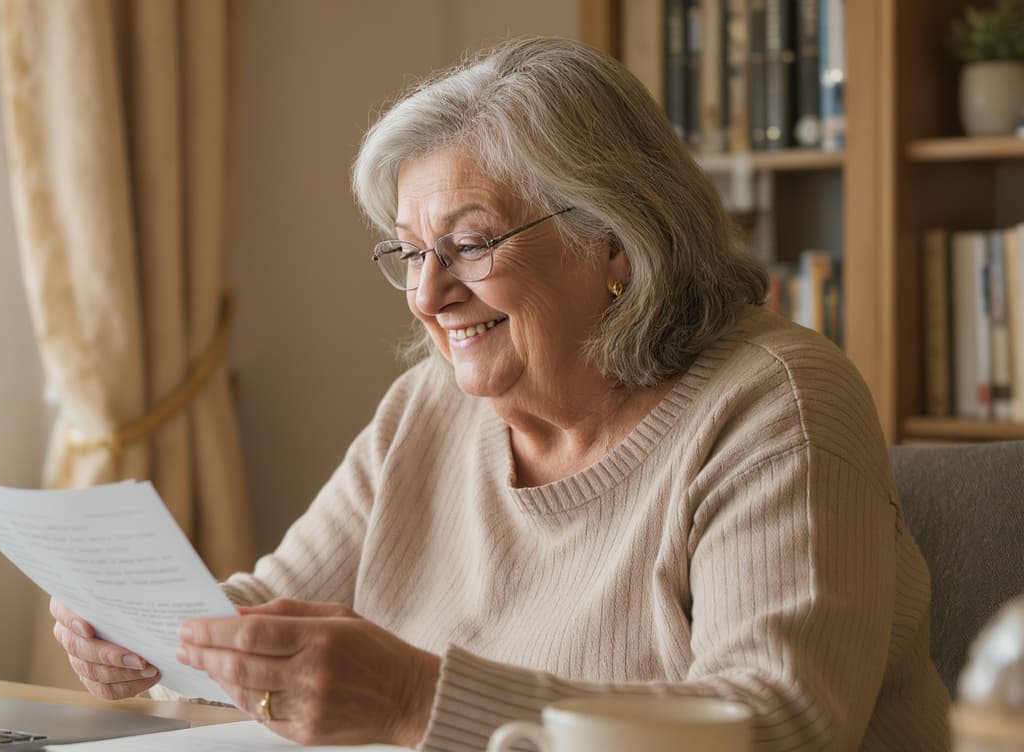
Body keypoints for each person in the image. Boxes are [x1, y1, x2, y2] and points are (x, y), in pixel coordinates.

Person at [49, 37, 950, 751]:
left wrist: (414, 700)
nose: (426, 293)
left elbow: (780, 725)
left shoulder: (774, 403)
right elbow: (272, 606)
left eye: (469, 244)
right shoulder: (427, 409)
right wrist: (149, 636)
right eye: (409, 250)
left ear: (616, 244)